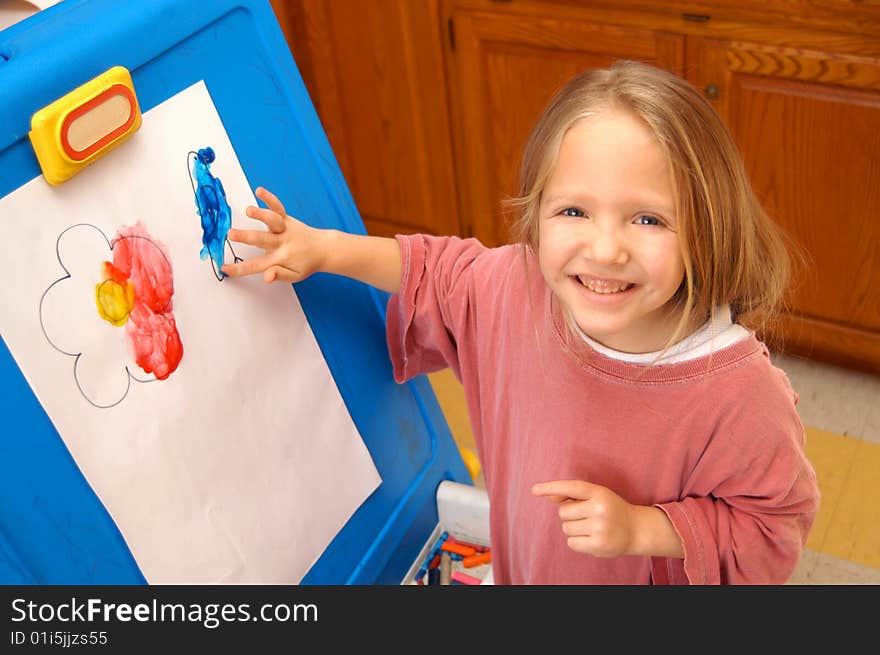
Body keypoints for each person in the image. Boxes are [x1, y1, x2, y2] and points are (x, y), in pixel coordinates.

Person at [221, 60, 820, 584]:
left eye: (648, 220)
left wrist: (646, 528)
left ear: (708, 229)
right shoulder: (516, 287)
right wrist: (327, 251)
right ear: (535, 215)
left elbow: (773, 529)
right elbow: (434, 269)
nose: (605, 250)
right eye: (574, 211)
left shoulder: (739, 393)